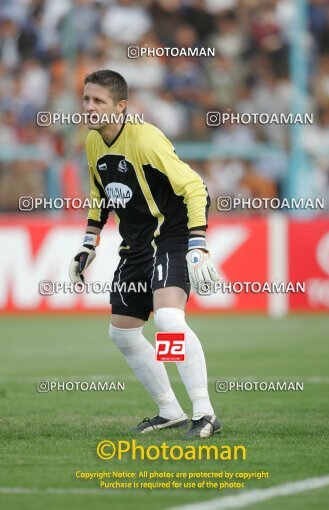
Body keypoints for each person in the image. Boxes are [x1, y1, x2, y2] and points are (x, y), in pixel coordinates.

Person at [69, 69, 221, 438]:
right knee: (122, 334)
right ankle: (170, 410)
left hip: (169, 236)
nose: (89, 107)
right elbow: (99, 194)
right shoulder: (93, 142)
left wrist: (197, 244)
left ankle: (205, 413)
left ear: (120, 107)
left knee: (168, 320)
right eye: (86, 99)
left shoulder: (146, 138)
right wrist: (89, 242)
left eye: (98, 101)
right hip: (135, 245)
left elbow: (195, 187)